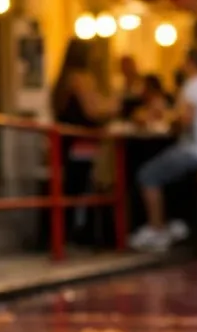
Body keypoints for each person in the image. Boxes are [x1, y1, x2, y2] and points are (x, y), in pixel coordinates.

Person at [129, 50, 197, 252]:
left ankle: (157, 229)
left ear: (191, 63)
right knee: (172, 170)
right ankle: (177, 223)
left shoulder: (194, 86)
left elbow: (186, 120)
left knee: (148, 174)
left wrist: (168, 119)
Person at [51, 39, 119, 246]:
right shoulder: (80, 78)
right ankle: (97, 235)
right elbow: (94, 110)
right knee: (101, 182)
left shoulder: (62, 79)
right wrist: (116, 104)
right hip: (83, 145)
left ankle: (65, 235)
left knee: (72, 190)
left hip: (66, 145)